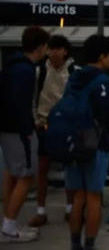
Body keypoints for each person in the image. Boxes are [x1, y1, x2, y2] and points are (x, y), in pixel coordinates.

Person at [65, 34, 109, 250]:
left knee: (78, 198)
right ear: (102, 56)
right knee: (94, 197)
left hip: (73, 142)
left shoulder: (73, 78)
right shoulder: (105, 82)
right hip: (97, 143)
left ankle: (75, 244)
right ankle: (90, 245)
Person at [0, 26, 49, 243]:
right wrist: (28, 129)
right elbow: (20, 102)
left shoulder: (12, 65)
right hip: (20, 131)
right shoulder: (26, 70)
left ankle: (8, 222)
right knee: (26, 176)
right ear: (41, 46)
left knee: (12, 173)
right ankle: (9, 227)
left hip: (7, 128)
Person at [29, 35, 77, 228]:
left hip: (66, 126)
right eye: (51, 48)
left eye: (58, 48)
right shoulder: (39, 71)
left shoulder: (73, 72)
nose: (54, 52)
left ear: (65, 51)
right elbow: (32, 97)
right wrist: (35, 120)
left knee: (70, 170)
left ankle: (70, 209)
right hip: (44, 124)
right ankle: (41, 211)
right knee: (42, 169)